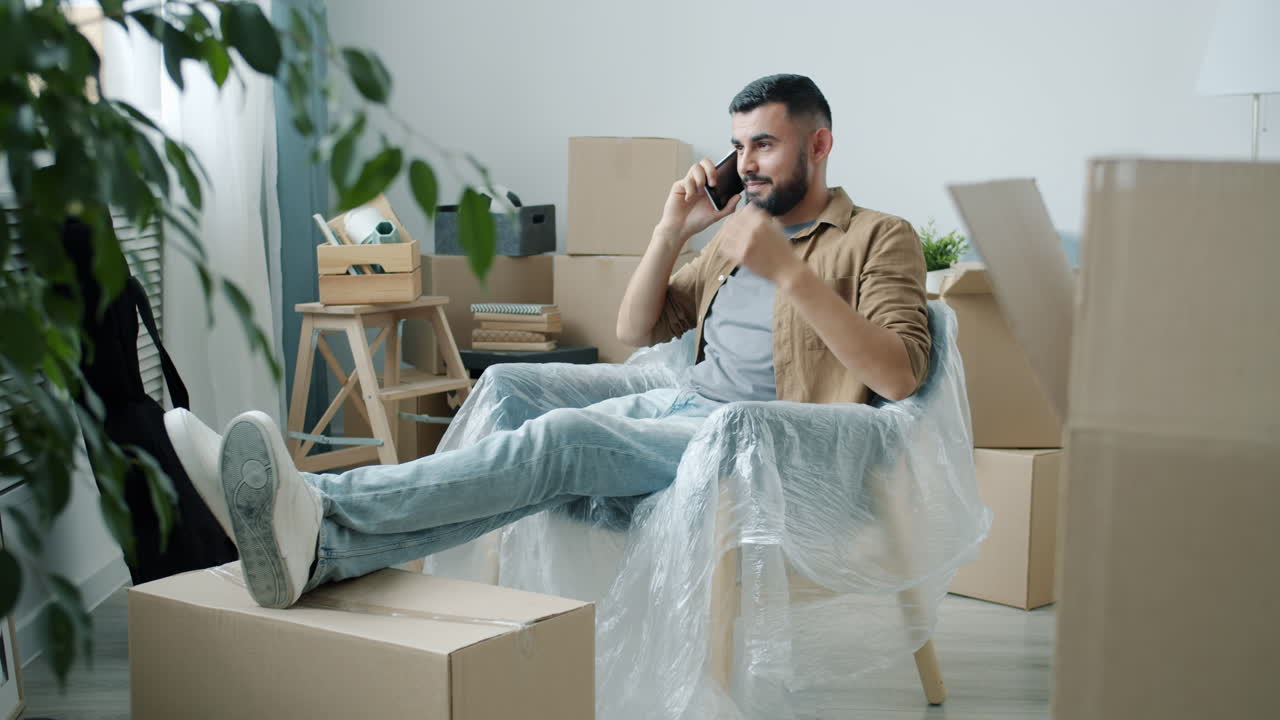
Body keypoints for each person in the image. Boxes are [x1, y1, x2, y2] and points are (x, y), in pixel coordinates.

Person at [167, 73, 931, 609]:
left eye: (764, 145)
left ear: (819, 144)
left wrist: (789, 272)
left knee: (560, 440)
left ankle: (317, 505)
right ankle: (323, 548)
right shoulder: (737, 237)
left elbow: (899, 378)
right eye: (738, 148)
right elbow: (636, 328)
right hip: (686, 413)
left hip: (771, 451)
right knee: (507, 391)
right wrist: (673, 230)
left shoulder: (878, 237)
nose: (746, 166)